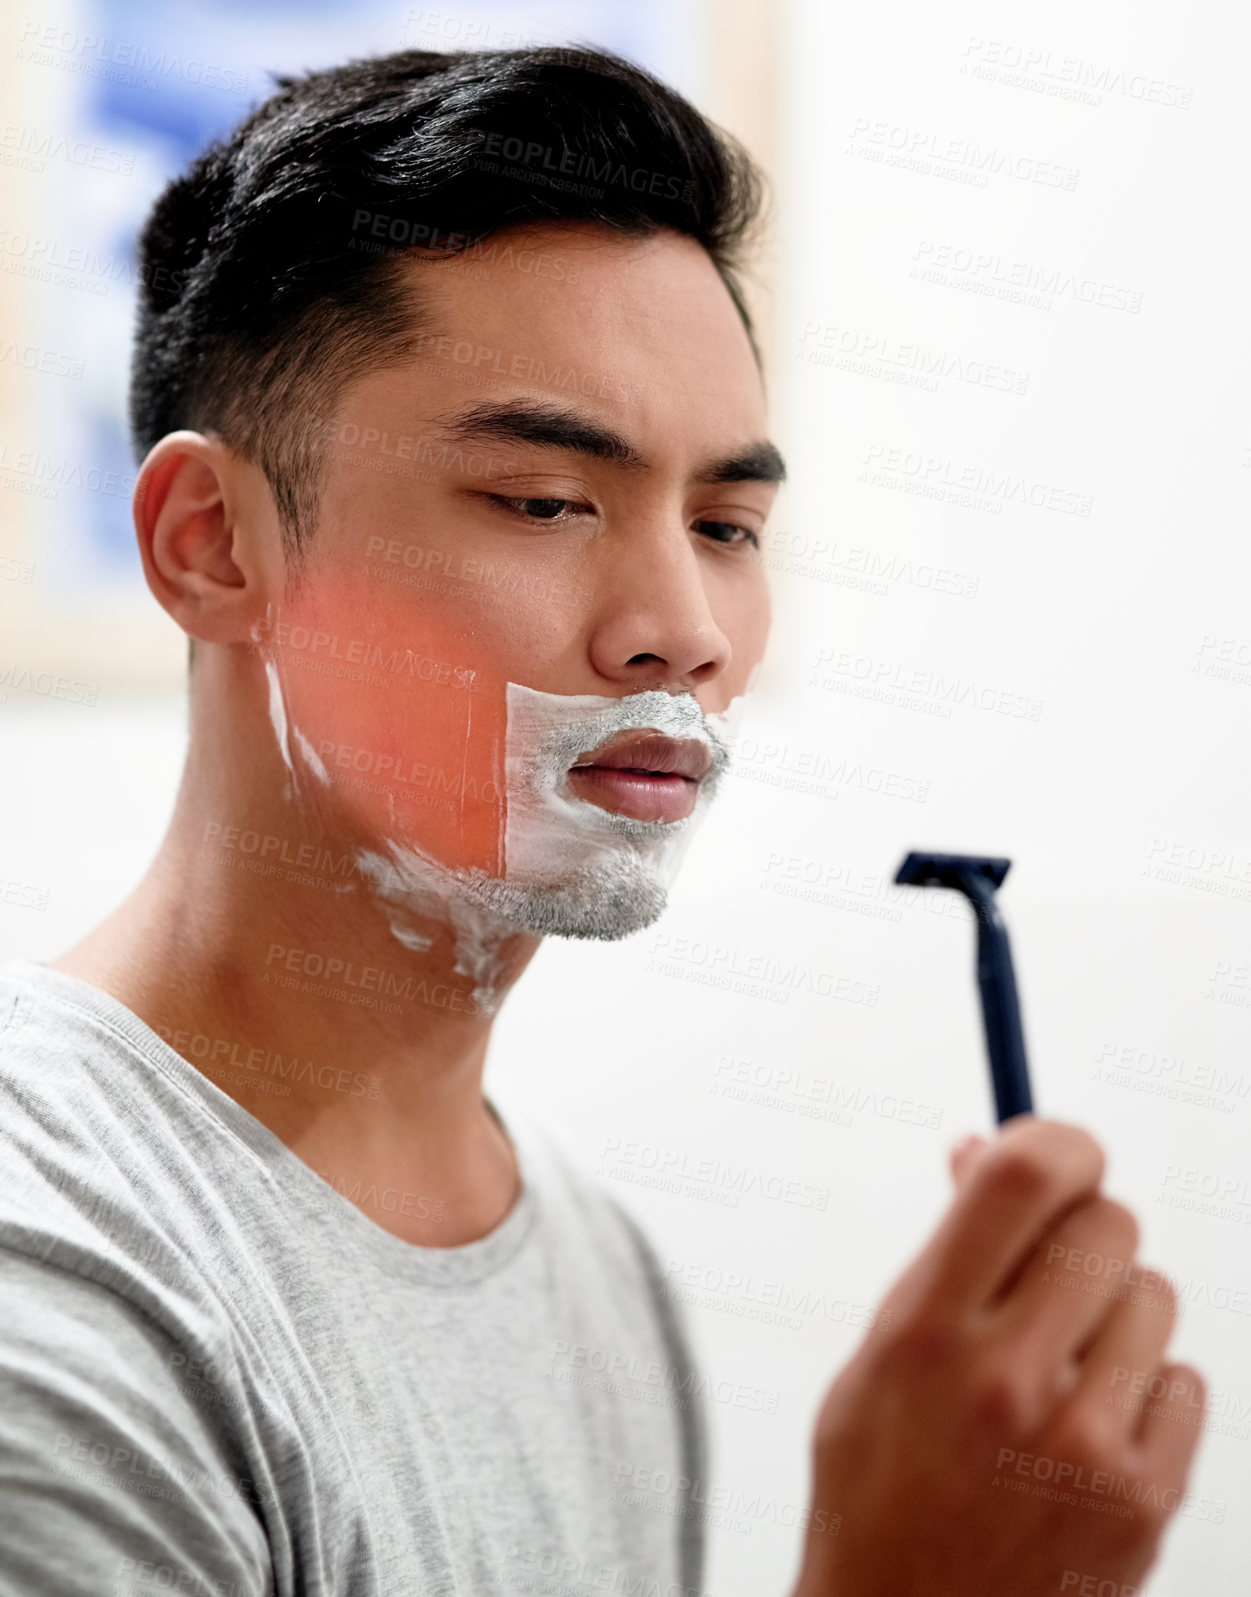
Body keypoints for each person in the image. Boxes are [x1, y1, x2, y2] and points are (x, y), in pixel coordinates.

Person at [0, 42, 1205, 1597]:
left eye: (728, 525)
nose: (682, 629)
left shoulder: (590, 1264)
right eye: (549, 503)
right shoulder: (52, 1277)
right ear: (214, 544)